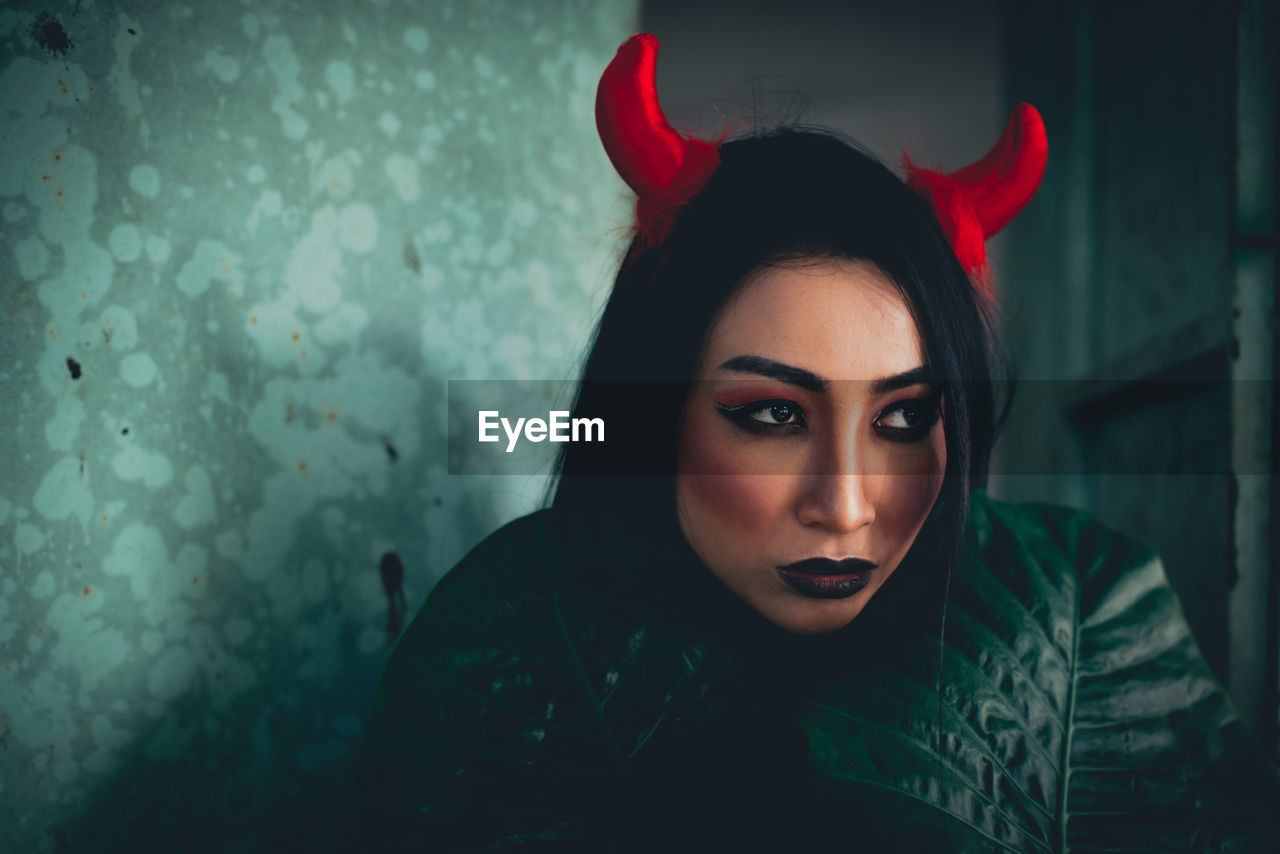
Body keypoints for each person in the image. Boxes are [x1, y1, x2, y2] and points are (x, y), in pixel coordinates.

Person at [355, 35, 1280, 851]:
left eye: (905, 418)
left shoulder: (1071, 608)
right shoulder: (529, 640)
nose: (844, 504)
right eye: (771, 415)